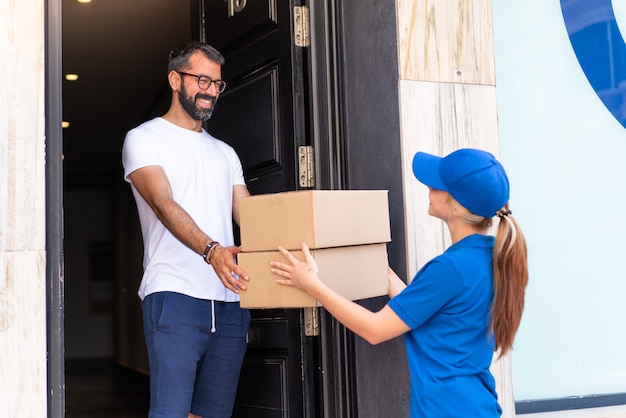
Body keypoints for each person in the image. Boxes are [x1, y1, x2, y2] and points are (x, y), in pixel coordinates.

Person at [269, 148, 528, 417]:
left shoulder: (450, 269)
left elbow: (375, 329)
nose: (429, 187)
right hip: (476, 406)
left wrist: (311, 285)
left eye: (437, 184)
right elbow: (426, 310)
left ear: (457, 206)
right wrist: (361, 254)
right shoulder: (491, 258)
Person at [122, 41, 251, 418]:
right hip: (174, 295)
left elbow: (250, 214)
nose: (211, 91)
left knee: (212, 415)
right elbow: (163, 204)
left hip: (229, 302)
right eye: (203, 80)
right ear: (175, 79)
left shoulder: (225, 153)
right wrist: (212, 251)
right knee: (171, 412)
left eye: (217, 84)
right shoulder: (144, 139)